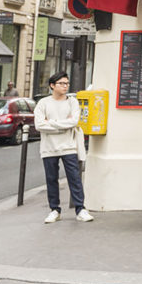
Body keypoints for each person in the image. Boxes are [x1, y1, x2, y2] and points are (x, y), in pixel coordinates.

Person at [34, 71, 93, 224]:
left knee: (74, 178)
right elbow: (39, 125)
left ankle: (80, 209)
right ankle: (54, 210)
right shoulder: (43, 103)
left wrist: (51, 123)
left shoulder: (72, 102)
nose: (65, 86)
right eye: (61, 83)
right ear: (52, 85)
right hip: (48, 147)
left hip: (69, 146)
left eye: (66, 83)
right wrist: (62, 126)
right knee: (51, 179)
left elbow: (74, 122)